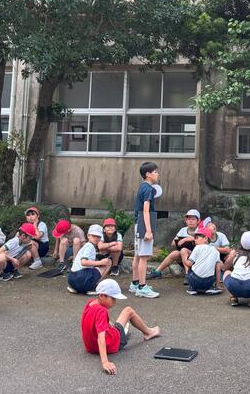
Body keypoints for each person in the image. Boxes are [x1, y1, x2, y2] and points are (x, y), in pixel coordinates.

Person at [80, 279, 161, 375]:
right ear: (101, 295)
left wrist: (108, 323)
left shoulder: (90, 303)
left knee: (116, 324)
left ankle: (126, 331)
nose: (115, 302)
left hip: (90, 347)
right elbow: (101, 337)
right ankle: (148, 332)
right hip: (112, 343)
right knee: (128, 311)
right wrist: (105, 362)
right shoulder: (102, 311)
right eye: (112, 298)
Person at [131, 161, 160, 298]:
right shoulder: (148, 189)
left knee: (138, 255)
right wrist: (149, 230)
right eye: (155, 172)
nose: (157, 174)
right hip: (144, 224)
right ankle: (142, 287)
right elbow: (146, 210)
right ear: (148, 174)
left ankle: (135, 283)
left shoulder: (142, 187)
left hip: (138, 223)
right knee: (144, 256)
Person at [147, 209, 201, 280]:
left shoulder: (201, 230)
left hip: (197, 259)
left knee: (184, 250)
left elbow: (203, 242)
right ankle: (157, 272)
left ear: (198, 221)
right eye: (189, 219)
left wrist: (186, 239)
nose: (190, 221)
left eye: (193, 219)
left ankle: (188, 274)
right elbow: (173, 243)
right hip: (185, 258)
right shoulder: (183, 230)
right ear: (186, 220)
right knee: (175, 253)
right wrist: (179, 242)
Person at [68, 224, 112, 295]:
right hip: (81, 279)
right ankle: (92, 287)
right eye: (93, 236)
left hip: (72, 280)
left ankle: (74, 287)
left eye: (98, 236)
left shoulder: (86, 245)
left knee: (94, 266)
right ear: (88, 236)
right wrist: (101, 262)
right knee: (108, 262)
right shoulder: (90, 247)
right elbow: (84, 262)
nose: (96, 238)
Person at [185, 226, 223, 295]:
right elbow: (218, 269)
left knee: (189, 268)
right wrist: (218, 285)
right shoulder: (216, 251)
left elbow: (189, 264)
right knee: (215, 267)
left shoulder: (197, 247)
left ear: (205, 238)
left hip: (194, 280)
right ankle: (211, 288)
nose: (195, 240)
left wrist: (185, 258)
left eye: (197, 238)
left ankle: (192, 288)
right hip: (209, 282)